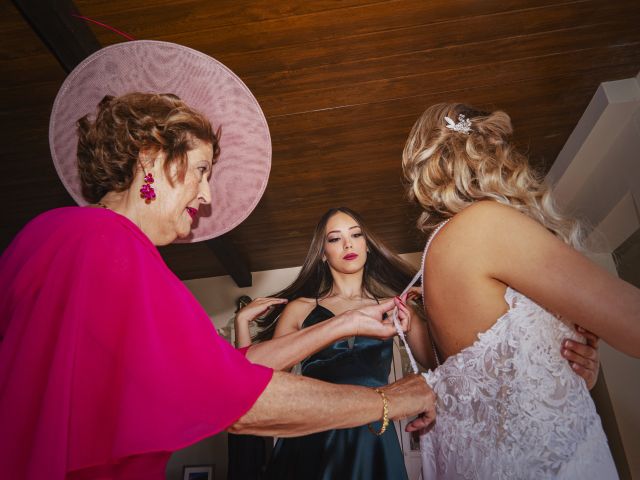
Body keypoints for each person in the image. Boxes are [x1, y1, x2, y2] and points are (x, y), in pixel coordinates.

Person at [0, 41, 436, 480]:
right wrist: (391, 400)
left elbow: (221, 371)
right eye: (202, 170)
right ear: (151, 158)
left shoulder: (56, 235)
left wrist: (345, 324)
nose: (207, 196)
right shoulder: (111, 246)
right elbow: (238, 400)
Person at [233, 207, 602, 480]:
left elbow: (437, 367)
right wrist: (242, 327)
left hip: (373, 434)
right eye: (335, 238)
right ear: (323, 251)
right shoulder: (302, 308)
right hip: (313, 431)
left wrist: (413, 327)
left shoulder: (397, 304)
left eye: (356, 234)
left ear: (367, 245)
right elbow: (257, 379)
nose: (348, 243)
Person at [401, 103, 640, 478]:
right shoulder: (485, 226)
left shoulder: (437, 255)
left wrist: (572, 377)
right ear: (493, 153)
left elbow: (495, 397)